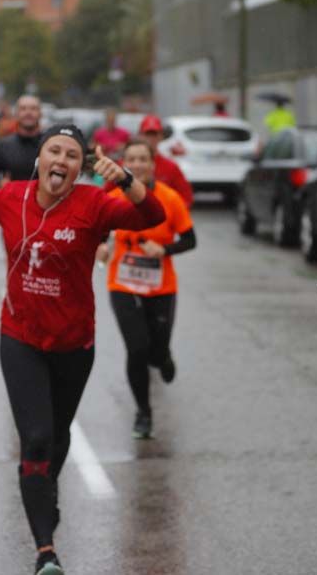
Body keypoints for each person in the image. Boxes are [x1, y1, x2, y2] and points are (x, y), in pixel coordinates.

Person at [0, 124, 165, 575]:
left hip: (74, 343)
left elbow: (152, 216)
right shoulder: (11, 197)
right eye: (55, 151)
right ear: (41, 159)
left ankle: (43, 487)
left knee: (57, 435)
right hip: (20, 337)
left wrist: (126, 179)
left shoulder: (93, 205)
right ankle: (45, 551)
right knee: (34, 437)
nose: (62, 160)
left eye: (72, 155)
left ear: (78, 169)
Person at [98, 138, 196, 438]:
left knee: (156, 348)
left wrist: (164, 250)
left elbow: (190, 240)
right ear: (124, 164)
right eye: (133, 159)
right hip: (122, 283)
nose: (138, 165)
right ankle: (143, 412)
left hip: (161, 287)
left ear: (153, 164)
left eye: (144, 159)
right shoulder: (113, 197)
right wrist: (100, 247)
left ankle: (163, 357)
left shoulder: (170, 199)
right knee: (136, 349)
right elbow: (99, 232)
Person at [0, 95, 44, 189]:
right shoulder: (5, 145)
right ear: (16, 114)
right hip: (13, 201)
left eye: (33, 108)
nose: (28, 112)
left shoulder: (50, 143)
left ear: (40, 113)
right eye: (23, 109)